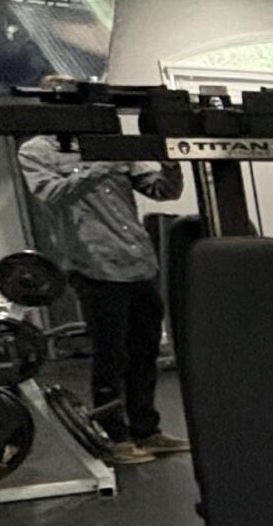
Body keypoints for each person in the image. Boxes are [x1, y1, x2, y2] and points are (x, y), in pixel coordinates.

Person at [18, 137, 186, 464]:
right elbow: (53, 194)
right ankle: (116, 438)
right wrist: (102, 164)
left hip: (138, 261)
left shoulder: (109, 144)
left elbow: (163, 191)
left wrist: (170, 164)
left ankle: (146, 431)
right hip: (94, 265)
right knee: (111, 354)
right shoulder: (37, 151)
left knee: (145, 350)